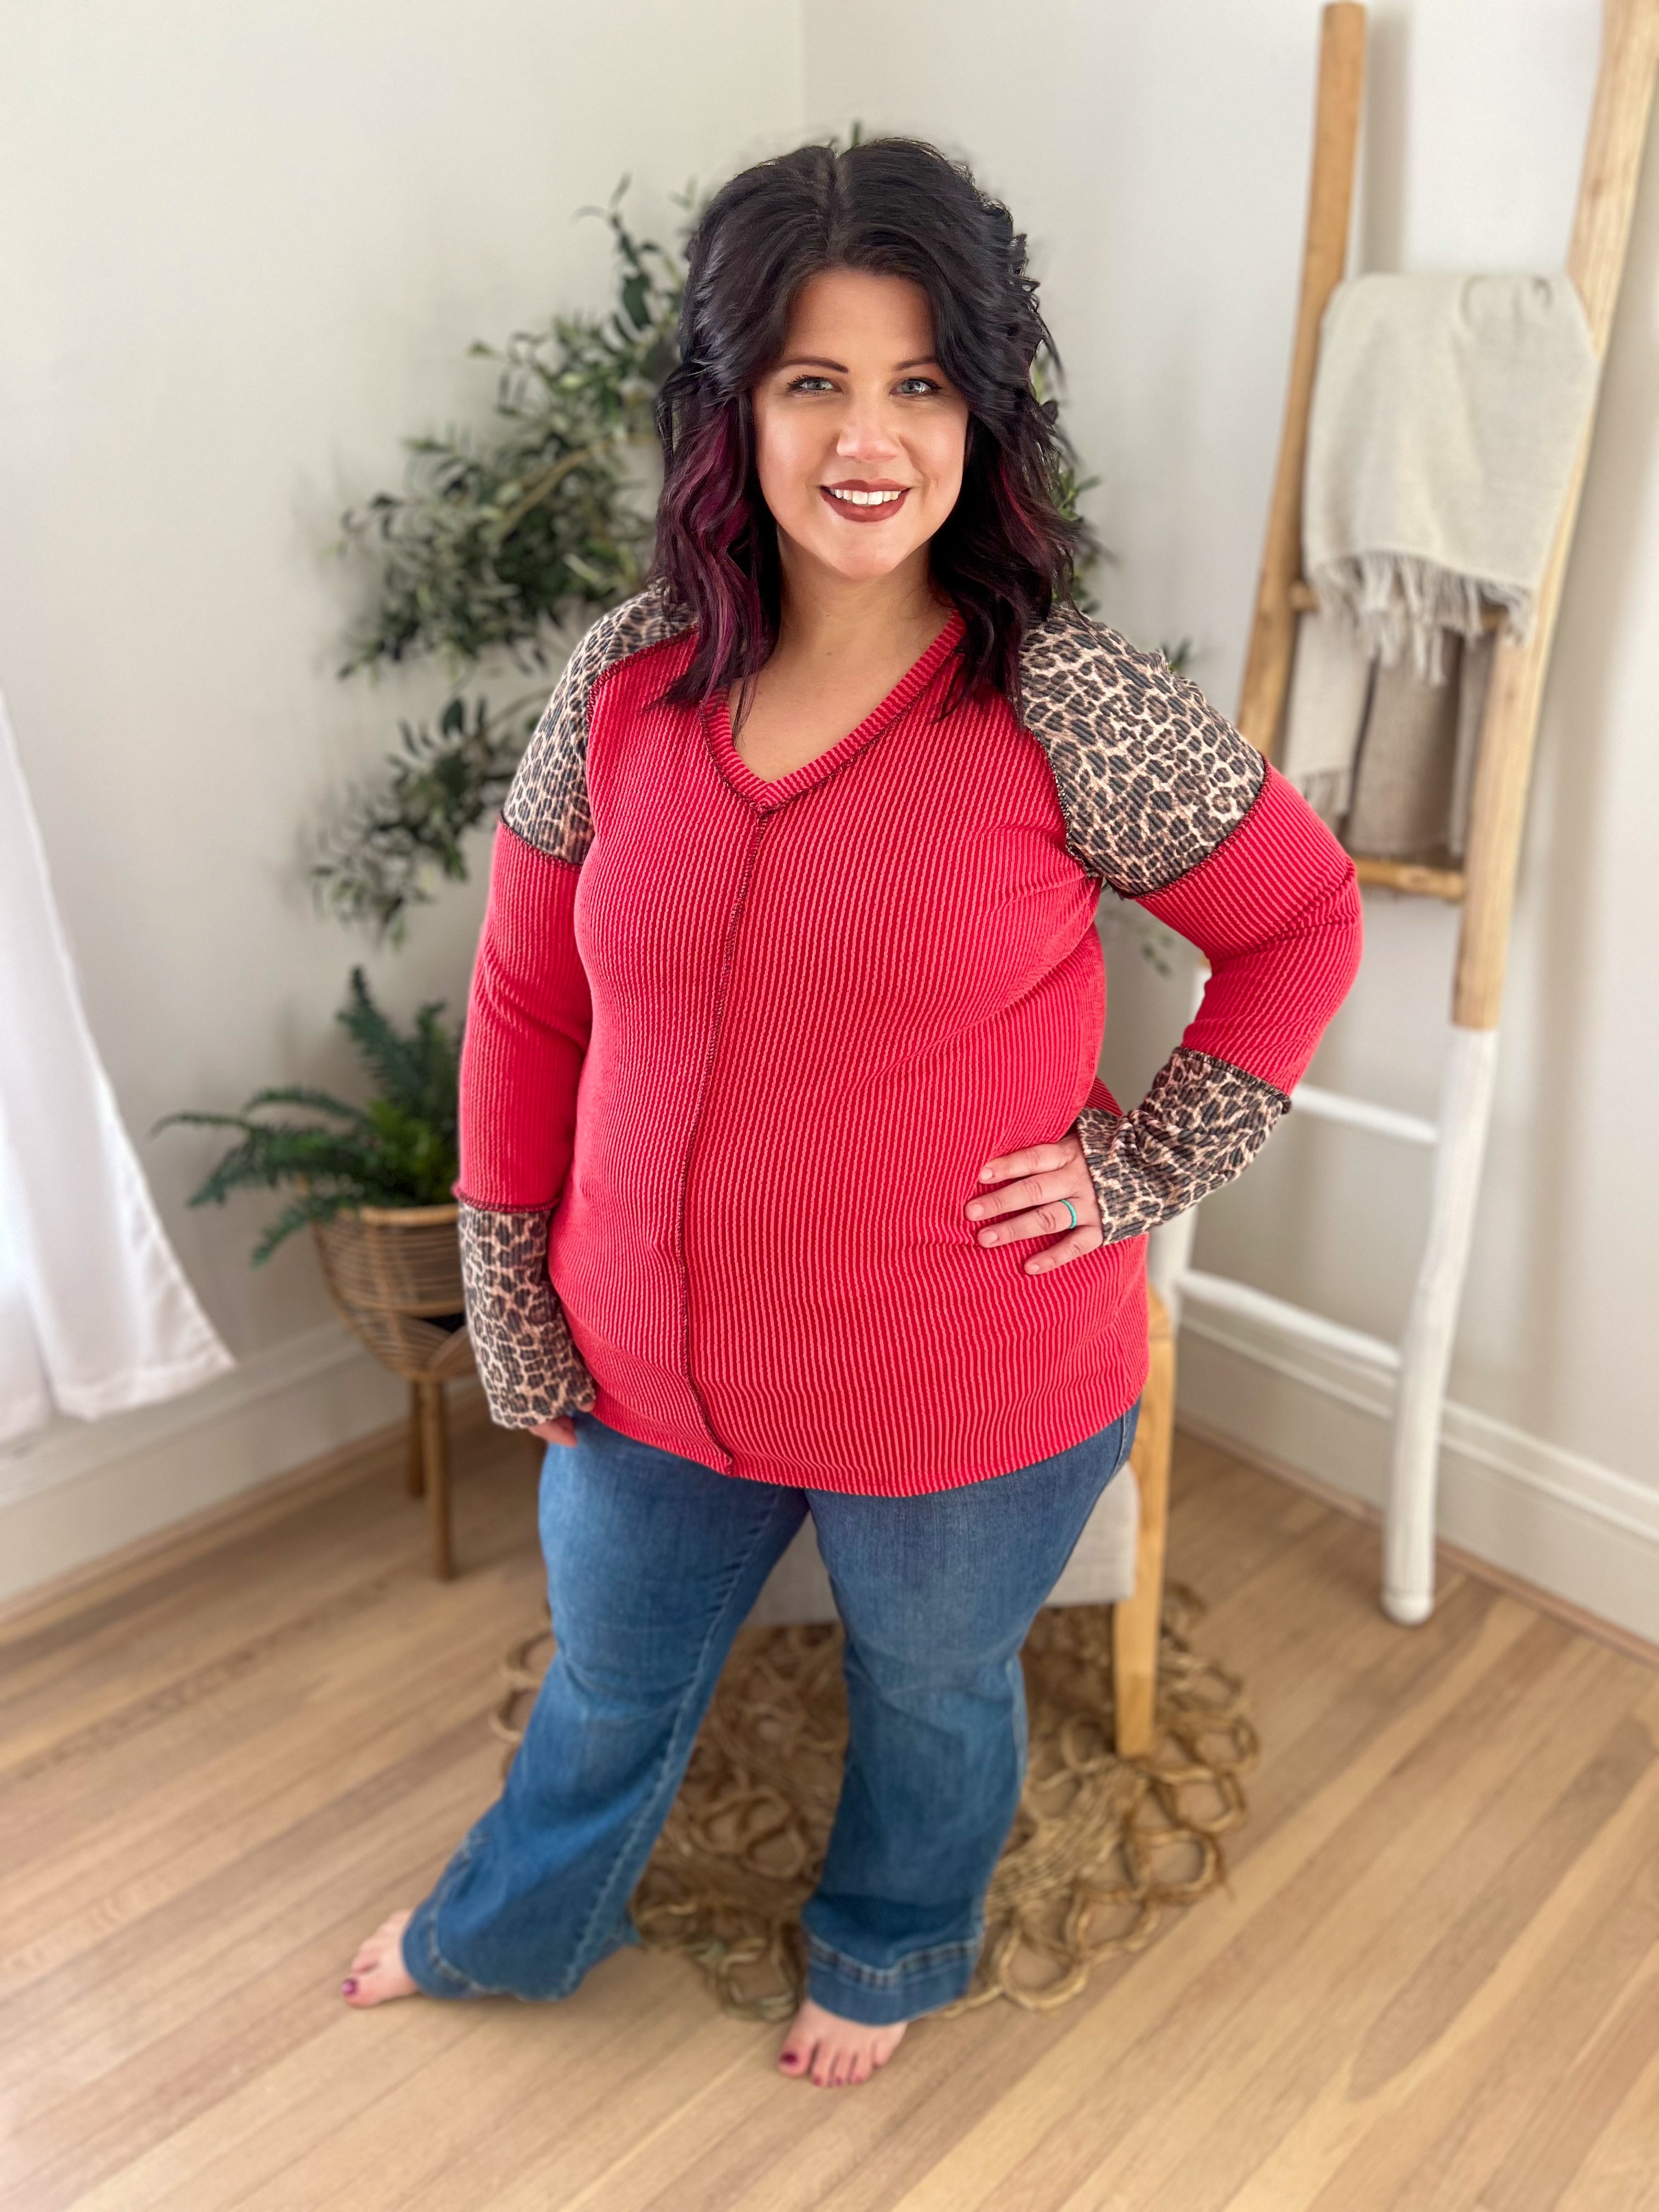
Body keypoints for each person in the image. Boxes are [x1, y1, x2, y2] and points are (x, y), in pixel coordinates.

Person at [340, 136, 1362, 2090]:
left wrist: (1145, 1166)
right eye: (814, 380)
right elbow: (530, 1000)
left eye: (923, 383)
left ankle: (892, 1943)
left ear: (985, 412)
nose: (869, 439)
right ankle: (506, 1924)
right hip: (641, 1367)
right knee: (609, 1684)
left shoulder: (1068, 698)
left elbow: (1302, 923)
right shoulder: (624, 681)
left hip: (961, 1386)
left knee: (935, 1690)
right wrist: (510, 1279)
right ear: (732, 409)